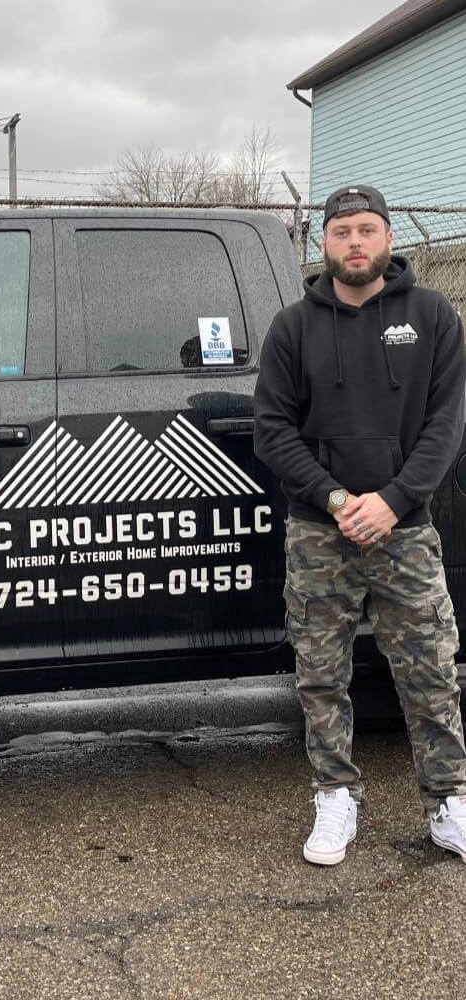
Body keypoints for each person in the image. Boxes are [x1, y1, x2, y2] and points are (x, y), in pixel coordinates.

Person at [254, 184, 466, 866]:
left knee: (431, 670)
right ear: (323, 243)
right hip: (322, 532)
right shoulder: (293, 327)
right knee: (321, 673)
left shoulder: (433, 317)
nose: (355, 242)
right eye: (342, 230)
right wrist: (340, 500)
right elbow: (273, 431)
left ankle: (448, 799)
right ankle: (335, 795)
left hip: (405, 530)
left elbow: (445, 425)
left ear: (387, 239)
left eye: (367, 229)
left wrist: (395, 500)